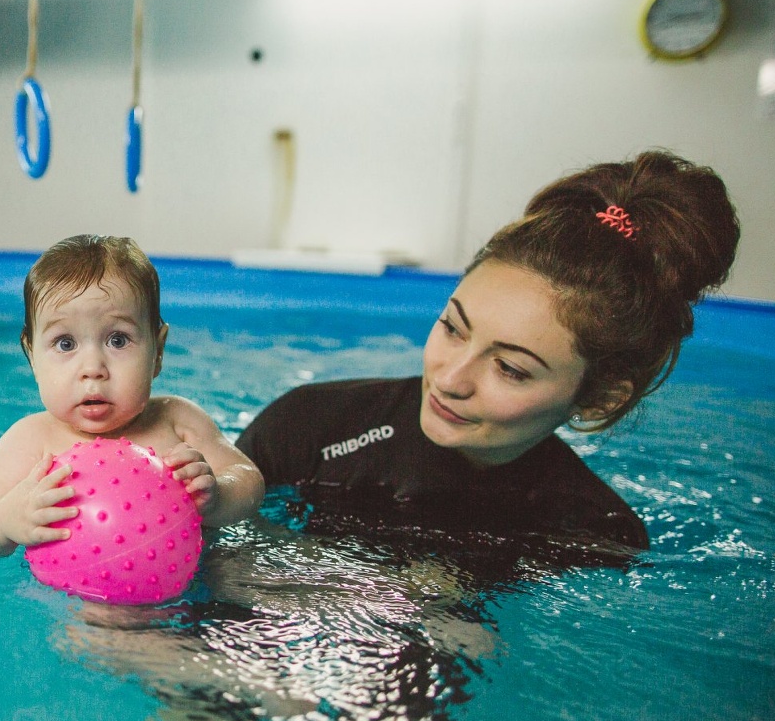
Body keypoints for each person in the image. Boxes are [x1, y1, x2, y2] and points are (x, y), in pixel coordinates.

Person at [236, 150, 741, 550]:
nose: (451, 379)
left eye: (510, 369)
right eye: (453, 328)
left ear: (600, 399)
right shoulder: (307, 426)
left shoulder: (593, 531)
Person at [0, 234, 264, 558]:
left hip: (196, 584)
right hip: (69, 600)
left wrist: (217, 498)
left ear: (157, 352)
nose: (93, 368)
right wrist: (7, 519)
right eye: (65, 343)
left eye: (118, 340)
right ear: (32, 356)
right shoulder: (31, 440)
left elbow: (249, 481)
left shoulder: (178, 422)